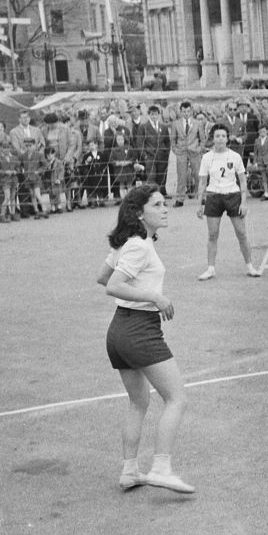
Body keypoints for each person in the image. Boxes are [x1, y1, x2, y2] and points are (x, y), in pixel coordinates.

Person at [96, 183, 194, 494]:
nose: (165, 209)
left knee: (139, 402)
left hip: (118, 332)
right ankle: (161, 468)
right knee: (176, 398)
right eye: (157, 205)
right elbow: (112, 285)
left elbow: (102, 276)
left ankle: (129, 471)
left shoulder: (128, 243)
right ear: (139, 213)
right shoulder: (139, 245)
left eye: (165, 204)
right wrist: (155, 297)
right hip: (139, 330)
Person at [195, 123, 261, 281]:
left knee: (242, 233)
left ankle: (250, 266)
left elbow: (243, 181)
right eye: (217, 136)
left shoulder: (235, 156)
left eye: (223, 136)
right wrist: (199, 203)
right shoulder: (207, 157)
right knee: (212, 234)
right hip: (213, 196)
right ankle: (211, 269)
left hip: (232, 195)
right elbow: (202, 182)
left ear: (227, 138)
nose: (220, 139)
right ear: (213, 138)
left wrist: (244, 202)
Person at [170, 100, 204, 206]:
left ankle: (202, 197)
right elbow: (173, 139)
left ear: (191, 111)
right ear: (180, 111)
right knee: (181, 175)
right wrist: (175, 150)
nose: (186, 114)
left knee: (198, 174)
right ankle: (180, 198)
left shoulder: (197, 123)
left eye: (188, 111)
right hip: (181, 152)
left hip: (194, 152)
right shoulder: (175, 124)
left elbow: (202, 139)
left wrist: (199, 149)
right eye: (184, 112)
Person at [253, 123, 268, 200]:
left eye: (263, 131)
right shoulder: (257, 141)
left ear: (266, 132)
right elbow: (255, 152)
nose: (262, 133)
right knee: (264, 178)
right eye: (260, 132)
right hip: (261, 162)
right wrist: (255, 162)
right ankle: (266, 193)